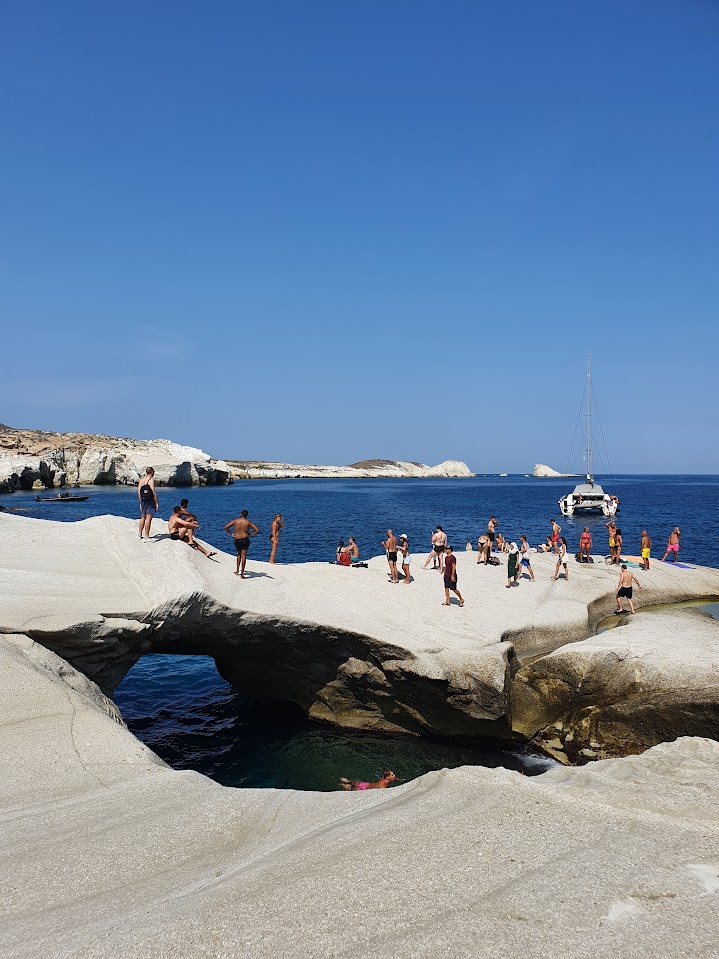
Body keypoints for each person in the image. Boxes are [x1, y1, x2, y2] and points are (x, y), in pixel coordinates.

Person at [224, 509, 260, 578]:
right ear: (247, 515)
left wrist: (231, 533)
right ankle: (242, 574)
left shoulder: (235, 521)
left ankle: (237, 571)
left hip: (237, 539)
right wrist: (250, 534)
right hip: (245, 539)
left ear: (241, 514)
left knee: (239, 555)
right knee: (244, 556)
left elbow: (226, 527)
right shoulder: (248, 522)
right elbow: (257, 530)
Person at [138, 467, 159, 541]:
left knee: (143, 517)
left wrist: (140, 503)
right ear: (152, 472)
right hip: (150, 501)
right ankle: (147, 536)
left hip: (143, 501)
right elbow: (153, 492)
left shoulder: (141, 481)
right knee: (148, 519)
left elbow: (139, 493)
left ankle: (139, 534)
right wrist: (156, 503)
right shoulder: (151, 481)